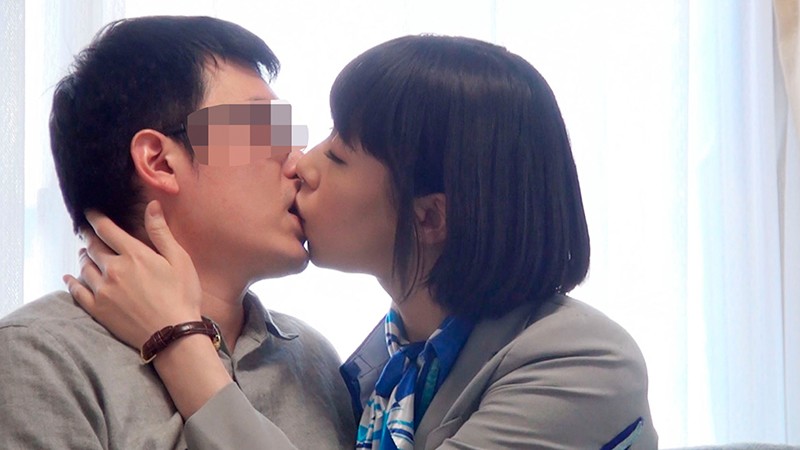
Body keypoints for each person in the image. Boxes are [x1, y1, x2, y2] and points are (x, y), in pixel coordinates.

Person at [69, 35, 659, 448]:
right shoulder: (382, 366)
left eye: (340, 155)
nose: (302, 163)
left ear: (430, 217)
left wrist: (179, 343)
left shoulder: (582, 363)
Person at [0, 16, 354, 449]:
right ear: (160, 162)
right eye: (265, 129)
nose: (299, 161)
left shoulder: (316, 363)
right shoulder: (42, 357)